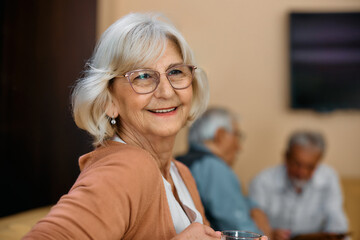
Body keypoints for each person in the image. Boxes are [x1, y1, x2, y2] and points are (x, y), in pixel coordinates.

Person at [23, 12, 221, 240]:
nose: (166, 92)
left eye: (175, 72)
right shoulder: (127, 167)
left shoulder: (181, 173)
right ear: (109, 101)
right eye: (143, 76)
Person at [177, 107, 272, 236]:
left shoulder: (179, 162)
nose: (239, 147)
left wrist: (252, 206)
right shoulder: (213, 168)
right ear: (220, 135)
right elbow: (242, 229)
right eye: (237, 136)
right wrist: (264, 235)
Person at [249, 130, 348, 240]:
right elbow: (253, 226)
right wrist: (270, 234)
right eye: (297, 164)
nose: (302, 173)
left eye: (310, 167)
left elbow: (337, 223)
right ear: (286, 157)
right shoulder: (262, 181)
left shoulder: (329, 178)